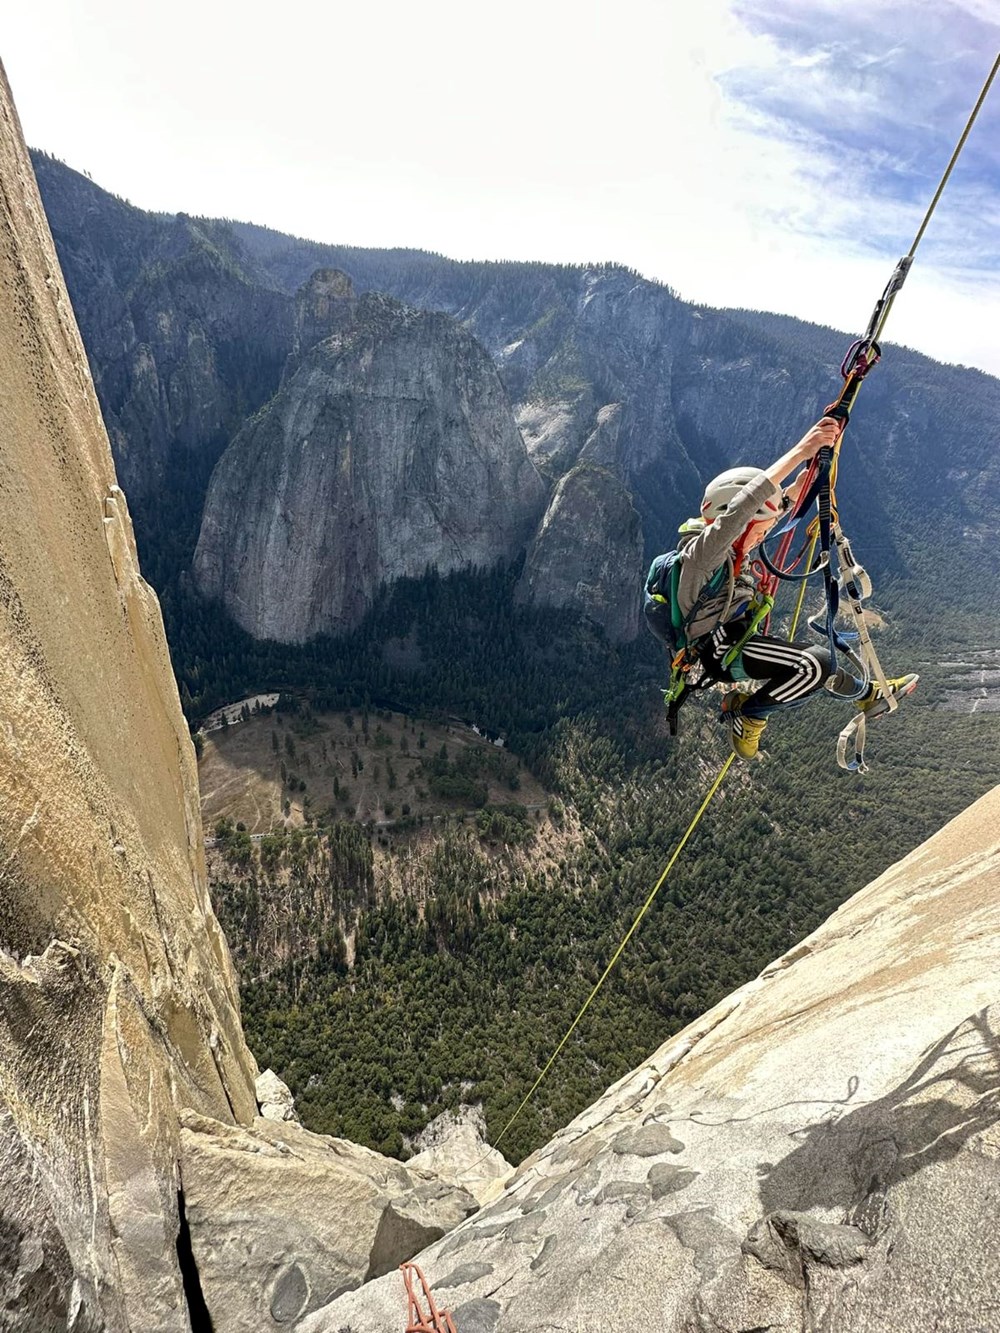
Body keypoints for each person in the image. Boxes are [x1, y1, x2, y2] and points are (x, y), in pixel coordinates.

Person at [652, 413, 916, 760]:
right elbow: (742, 509)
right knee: (815, 665)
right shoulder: (702, 556)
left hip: (736, 638)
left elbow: (767, 510)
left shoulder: (732, 549)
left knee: (818, 667)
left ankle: (869, 695)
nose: (763, 535)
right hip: (722, 652)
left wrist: (809, 474)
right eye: (759, 529)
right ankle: (749, 714)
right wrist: (801, 451)